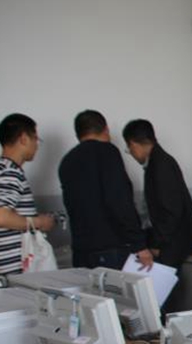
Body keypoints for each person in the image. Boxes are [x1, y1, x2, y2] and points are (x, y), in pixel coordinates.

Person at [58, 110, 152, 270]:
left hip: (81, 251)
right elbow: (119, 200)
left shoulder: (67, 161)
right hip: (110, 249)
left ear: (78, 134)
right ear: (106, 129)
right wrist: (139, 244)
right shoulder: (107, 152)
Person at [122, 119, 192, 268]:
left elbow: (171, 210)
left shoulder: (160, 165)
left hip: (172, 243)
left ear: (133, 144)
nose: (132, 154)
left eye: (129, 149)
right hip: (171, 241)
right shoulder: (157, 162)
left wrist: (158, 243)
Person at [0, 114, 56, 276]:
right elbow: (2, 216)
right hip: (10, 274)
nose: (37, 146)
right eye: (36, 139)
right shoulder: (11, 172)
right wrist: (39, 222)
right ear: (24, 139)